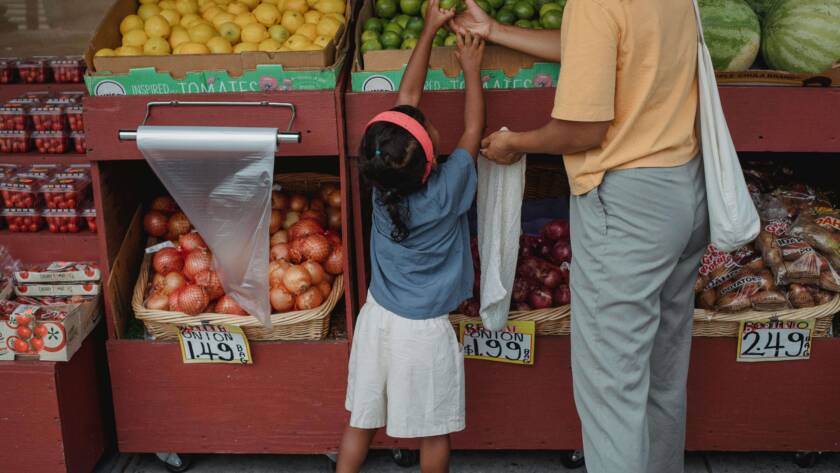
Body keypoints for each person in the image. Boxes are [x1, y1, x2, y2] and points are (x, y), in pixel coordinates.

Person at [452, 1, 708, 472]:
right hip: (684, 188)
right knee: (661, 376)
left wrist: (515, 144)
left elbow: (582, 130)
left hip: (628, 203)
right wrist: (496, 29)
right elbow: (597, 45)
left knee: (612, 388)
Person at [335, 0, 486, 471]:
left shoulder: (382, 185)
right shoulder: (447, 189)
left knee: (360, 423)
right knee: (433, 432)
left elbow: (408, 93)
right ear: (429, 159)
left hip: (376, 319)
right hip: (423, 333)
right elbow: (475, 129)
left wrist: (427, 29)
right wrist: (471, 69)